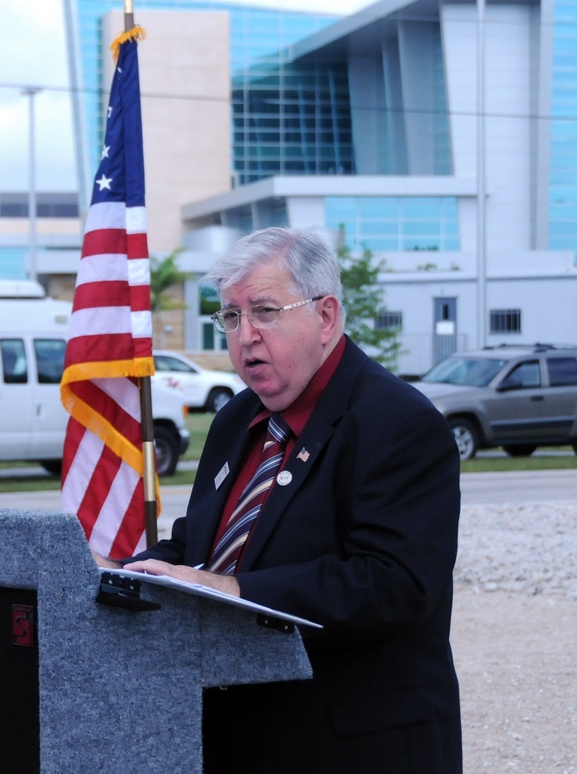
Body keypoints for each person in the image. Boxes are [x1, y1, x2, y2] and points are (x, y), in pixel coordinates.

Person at [96, 227, 462, 772]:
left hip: (353, 745)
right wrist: (124, 572)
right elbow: (202, 545)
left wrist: (236, 590)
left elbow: (396, 584)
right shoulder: (235, 419)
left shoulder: (399, 422)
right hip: (234, 736)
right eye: (231, 317)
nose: (245, 336)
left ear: (326, 316)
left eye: (264, 311)